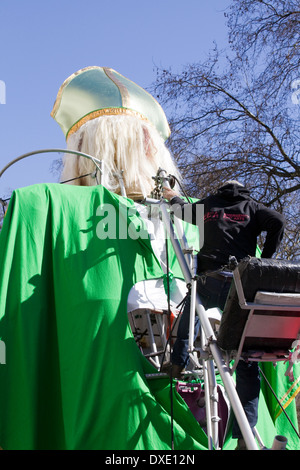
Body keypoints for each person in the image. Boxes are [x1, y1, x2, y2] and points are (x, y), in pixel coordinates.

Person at [163, 180, 285, 449]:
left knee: (193, 306)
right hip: (239, 286)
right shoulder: (251, 207)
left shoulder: (209, 205)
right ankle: (245, 434)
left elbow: (182, 210)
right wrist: (264, 261)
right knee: (246, 360)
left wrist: (170, 196)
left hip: (210, 279)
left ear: (221, 190)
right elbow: (277, 221)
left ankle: (178, 360)